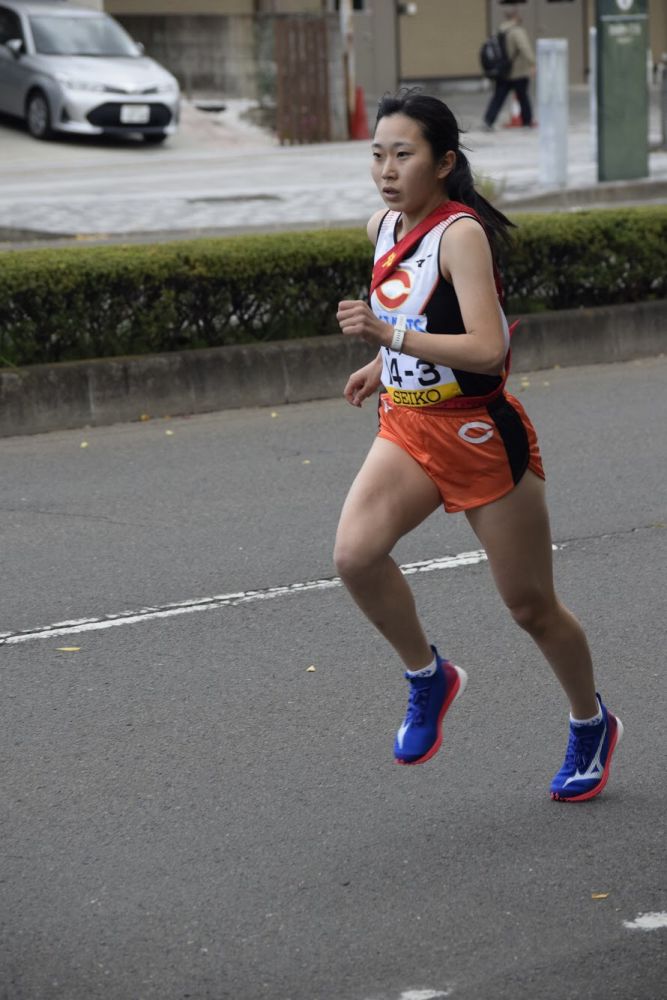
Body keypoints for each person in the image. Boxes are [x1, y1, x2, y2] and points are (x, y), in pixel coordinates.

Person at [334, 92, 622, 802]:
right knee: (354, 556)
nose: (386, 169)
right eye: (378, 153)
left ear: (444, 162)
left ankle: (590, 721)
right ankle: (428, 676)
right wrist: (386, 368)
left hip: (478, 433)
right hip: (408, 424)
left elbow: (487, 351)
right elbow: (415, 311)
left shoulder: (460, 233)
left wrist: (386, 338)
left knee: (530, 606)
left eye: (403, 155)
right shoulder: (383, 226)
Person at [482, 5, 535, 130]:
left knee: (498, 98)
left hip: (503, 71)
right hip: (518, 72)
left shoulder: (500, 30)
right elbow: (524, 48)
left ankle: (488, 120)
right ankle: (527, 121)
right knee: (523, 98)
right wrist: (533, 63)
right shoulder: (517, 31)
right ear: (515, 16)